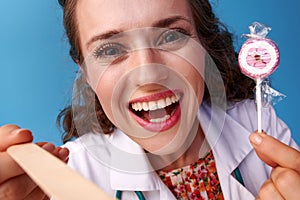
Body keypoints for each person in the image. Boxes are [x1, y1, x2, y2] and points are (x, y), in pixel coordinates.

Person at [1, 0, 300, 199]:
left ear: (202, 46)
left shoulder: (258, 123)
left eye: (171, 36)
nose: (148, 74)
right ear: (86, 73)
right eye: (109, 50)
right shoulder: (65, 182)